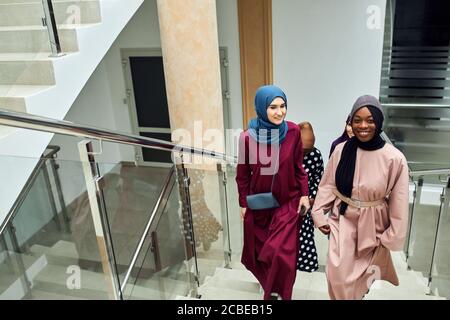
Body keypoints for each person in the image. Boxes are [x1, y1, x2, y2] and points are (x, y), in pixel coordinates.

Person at [311, 95, 409, 300]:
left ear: (379, 122)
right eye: (357, 120)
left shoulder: (394, 158)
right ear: (350, 122)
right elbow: (328, 184)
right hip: (343, 219)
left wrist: (391, 236)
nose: (363, 125)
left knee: (360, 280)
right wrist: (319, 213)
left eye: (370, 120)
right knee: (337, 275)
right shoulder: (341, 150)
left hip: (373, 225)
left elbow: (399, 202)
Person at [236, 85, 310, 300]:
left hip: (288, 202)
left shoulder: (294, 132)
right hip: (259, 205)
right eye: (273, 107)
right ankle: (273, 287)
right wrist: (243, 203)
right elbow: (242, 175)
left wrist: (304, 193)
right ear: (261, 108)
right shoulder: (247, 138)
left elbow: (298, 168)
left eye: (283, 106)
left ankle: (278, 295)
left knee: (282, 254)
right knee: (261, 255)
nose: (280, 112)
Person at [297, 122, 324, 273]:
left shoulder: (315, 155)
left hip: (306, 203)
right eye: (303, 150)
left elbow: (318, 180)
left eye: (309, 149)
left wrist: (312, 199)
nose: (305, 154)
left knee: (305, 236)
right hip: (286, 203)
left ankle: (305, 265)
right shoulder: (285, 153)